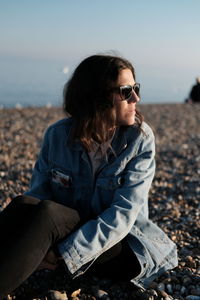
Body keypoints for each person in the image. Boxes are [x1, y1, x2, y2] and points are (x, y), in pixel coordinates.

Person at [0, 54, 178, 298]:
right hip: (68, 227)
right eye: (126, 91)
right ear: (98, 96)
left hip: (122, 246)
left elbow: (122, 216)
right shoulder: (57, 136)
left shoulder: (140, 139)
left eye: (136, 88)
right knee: (22, 204)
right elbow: (38, 195)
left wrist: (62, 252)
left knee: (49, 214)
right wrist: (32, 238)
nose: (136, 98)